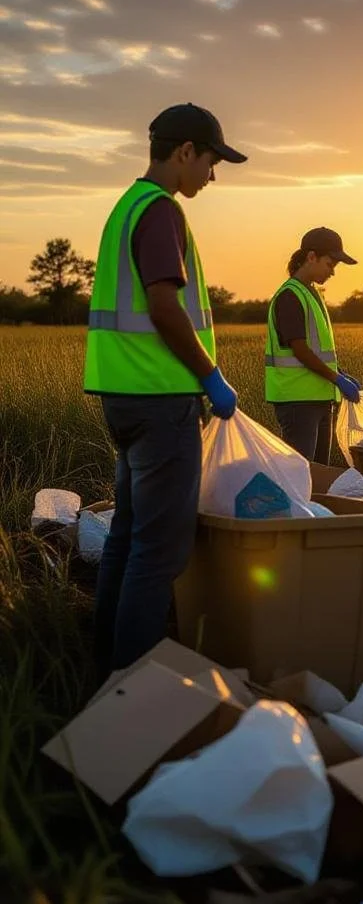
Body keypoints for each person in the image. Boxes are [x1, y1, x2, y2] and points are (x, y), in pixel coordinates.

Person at [84, 102, 245, 679]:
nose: (212, 174)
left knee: (128, 540)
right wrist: (210, 376)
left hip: (123, 399)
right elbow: (162, 304)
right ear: (183, 153)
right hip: (161, 403)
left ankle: (106, 674)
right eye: (210, 161)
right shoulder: (161, 211)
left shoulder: (126, 208)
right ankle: (134, 692)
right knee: (160, 553)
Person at [265, 228, 361, 462]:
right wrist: (336, 379)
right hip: (298, 402)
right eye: (330, 264)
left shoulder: (311, 294)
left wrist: (340, 373)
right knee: (302, 474)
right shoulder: (290, 296)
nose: (332, 272)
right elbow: (299, 349)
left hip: (319, 398)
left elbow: (318, 350)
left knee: (319, 473)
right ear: (311, 257)